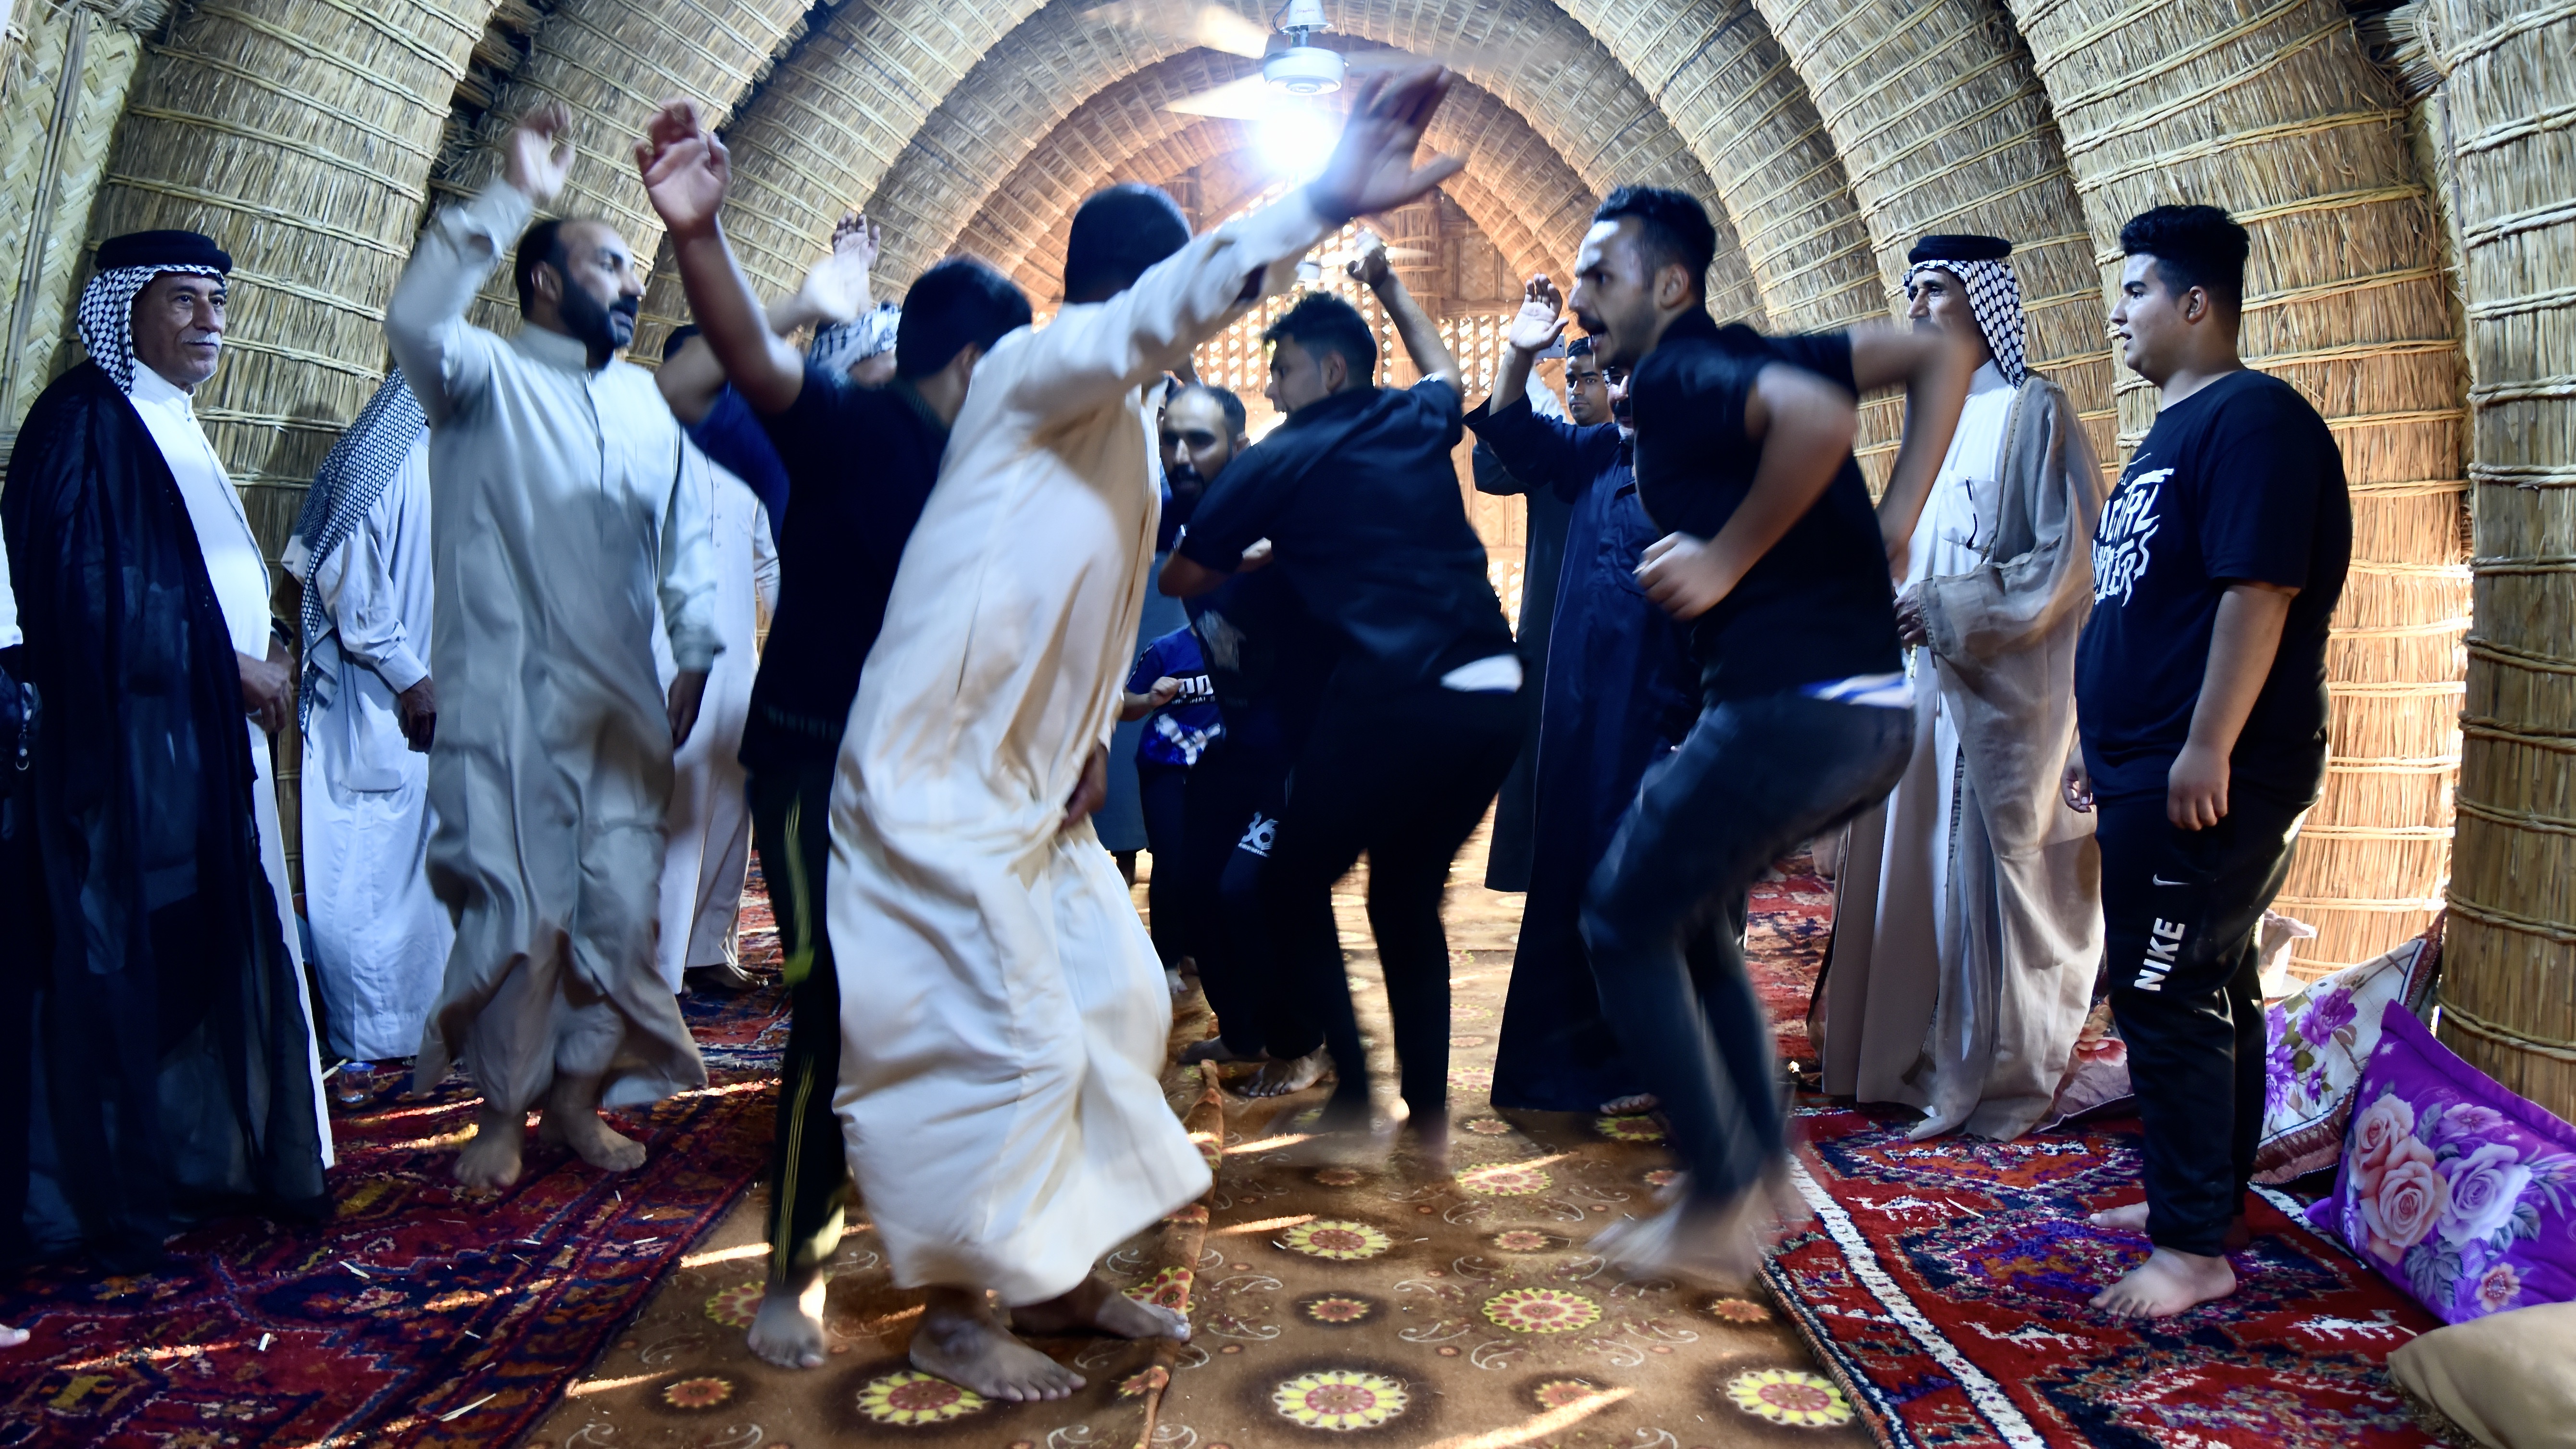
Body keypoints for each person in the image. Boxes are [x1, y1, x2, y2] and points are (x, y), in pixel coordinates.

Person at [642, 68, 1467, 1399]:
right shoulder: (1044, 367)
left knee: (1117, 1003)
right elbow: (756, 367)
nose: (1229, 309)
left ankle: (1062, 1275)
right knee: (1009, 1041)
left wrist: (1088, 730)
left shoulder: (1130, 425)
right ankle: (955, 1311)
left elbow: (1076, 601)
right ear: (1142, 292)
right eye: (1207, 288)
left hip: (1029, 784)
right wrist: (697, 237)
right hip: (928, 781)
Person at [648, 171, 1032, 1371]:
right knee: (832, 1001)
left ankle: (969, 1292)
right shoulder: (848, 428)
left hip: (935, 779)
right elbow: (724, 372)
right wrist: (701, 233)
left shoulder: (993, 474)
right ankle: (794, 1274)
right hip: (815, 769)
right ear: (972, 363)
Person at [1563, 186, 1976, 1282]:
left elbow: (1818, 420)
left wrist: (1725, 558)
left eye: (1599, 274)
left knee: (1618, 918)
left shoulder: (1683, 372)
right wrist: (1893, 522)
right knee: (1685, 918)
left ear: (1669, 285)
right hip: (1865, 712)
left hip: (1792, 706)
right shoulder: (1754, 349)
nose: (1578, 296)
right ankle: (1757, 1174)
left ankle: (1716, 1202)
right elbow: (1938, 355)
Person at [387, 103, 720, 1190]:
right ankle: (498, 1113)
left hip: (623, 707)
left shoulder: (637, 403)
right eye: (612, 265)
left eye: (636, 270)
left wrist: (695, 651)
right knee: (520, 923)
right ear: (543, 280)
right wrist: (511, 193)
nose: (633, 286)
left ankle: (574, 1101)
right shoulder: (478, 378)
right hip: (506, 713)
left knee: (616, 919)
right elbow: (417, 317)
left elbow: (684, 536)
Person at [0, 228, 330, 1268]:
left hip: (198, 755)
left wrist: (262, 647)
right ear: (125, 309)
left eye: (217, 305)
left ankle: (183, 1163)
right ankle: (94, 1194)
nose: (208, 322)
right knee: (109, 967)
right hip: (126, 768)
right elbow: (87, 605)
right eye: (183, 300)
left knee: (187, 957)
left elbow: (198, 577)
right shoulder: (85, 425)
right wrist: (229, 670)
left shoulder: (172, 424)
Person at [1163, 233, 1522, 1164]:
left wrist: (1265, 552)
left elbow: (1186, 574)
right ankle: (1431, 1120)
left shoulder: (1283, 455)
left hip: (1398, 699)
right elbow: (1446, 371)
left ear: (1327, 369)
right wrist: (1393, 285)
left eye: (1281, 371)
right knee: (1406, 898)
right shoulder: (1411, 419)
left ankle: (1360, 1097)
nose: (1273, 387)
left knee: (1286, 882)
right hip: (1492, 691)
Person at [2066, 205, 2348, 1318]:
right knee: (2210, 982)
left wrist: (2201, 744)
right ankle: (2208, 1201)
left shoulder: (2255, 421)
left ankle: (2193, 1248)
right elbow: (2144, 607)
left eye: (2134, 290)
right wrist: (2103, 745)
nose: (2117, 309)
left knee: (2163, 989)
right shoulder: (2171, 434)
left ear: (2194, 303)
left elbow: (2256, 591)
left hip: (2216, 769)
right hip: (2146, 762)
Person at [1817, 233, 2107, 1143]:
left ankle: (1973, 1067)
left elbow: (2063, 561)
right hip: (1917, 684)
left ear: (1984, 304)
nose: (1916, 307)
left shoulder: (2034, 412)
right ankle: (1888, 1057)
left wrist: (1945, 610)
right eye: (1910, 290)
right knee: (1906, 866)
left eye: (1935, 289)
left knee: (1967, 880)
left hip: (1986, 691)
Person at [1468, 296, 1693, 1115]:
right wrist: (1517, 355)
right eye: (1616, 374)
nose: (1623, 390)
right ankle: (1555, 1073)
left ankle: (1643, 1063)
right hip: (1575, 726)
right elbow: (1510, 437)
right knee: (1567, 888)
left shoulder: (1703, 475)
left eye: (1637, 374)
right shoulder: (1595, 454)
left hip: (1656, 729)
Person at [1161, 385, 1338, 1096]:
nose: (1179, 454)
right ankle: (1242, 1029)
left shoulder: (1285, 514)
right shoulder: (1178, 509)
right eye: (1170, 439)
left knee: (1253, 891)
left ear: (1239, 450)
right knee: (1190, 883)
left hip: (1302, 754)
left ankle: (1304, 1045)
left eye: (1198, 442)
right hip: (1237, 746)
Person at [284, 373, 451, 1087]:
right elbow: (346, 589)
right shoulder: (372, 460)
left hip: (427, 704)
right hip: (374, 706)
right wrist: (412, 677)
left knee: (416, 881)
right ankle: (361, 1043)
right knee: (364, 876)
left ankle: (415, 1032)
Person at [650, 326, 779, 995]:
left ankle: (707, 948)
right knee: (672, 811)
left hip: (739, 667)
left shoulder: (741, 454)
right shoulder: (644, 449)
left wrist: (794, 634)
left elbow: (766, 560)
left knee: (732, 807)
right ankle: (657, 969)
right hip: (667, 662)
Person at [655, 209, 890, 537]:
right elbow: (678, 385)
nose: (901, 374)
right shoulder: (793, 459)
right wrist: (802, 306)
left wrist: (855, 283)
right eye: (887, 356)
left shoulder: (928, 462)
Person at [1473, 374, 1576, 895]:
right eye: (1575, 379)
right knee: (1541, 747)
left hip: (1611, 628)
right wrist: (1514, 381)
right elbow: (1491, 471)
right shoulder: (1560, 453)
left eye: (1596, 378)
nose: (1581, 390)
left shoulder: (1636, 453)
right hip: (1551, 623)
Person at [1118, 618, 1222, 983]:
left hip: (1221, 771)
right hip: (1166, 767)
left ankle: (1197, 950)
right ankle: (1166, 960)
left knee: (1211, 864)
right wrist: (1149, 699)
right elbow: (1124, 703)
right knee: (1171, 863)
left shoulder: (1243, 641)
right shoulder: (1165, 648)